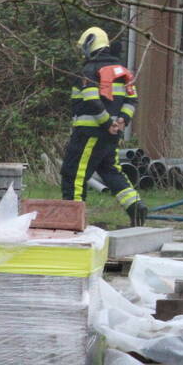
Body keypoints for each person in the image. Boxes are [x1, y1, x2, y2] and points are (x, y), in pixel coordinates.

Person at [61, 27, 147, 226]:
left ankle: (73, 221)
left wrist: (107, 122)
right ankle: (135, 206)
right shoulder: (123, 72)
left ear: (90, 43)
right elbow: (132, 100)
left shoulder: (90, 70)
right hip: (111, 134)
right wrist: (121, 121)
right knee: (110, 170)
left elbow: (92, 99)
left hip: (89, 132)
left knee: (73, 173)